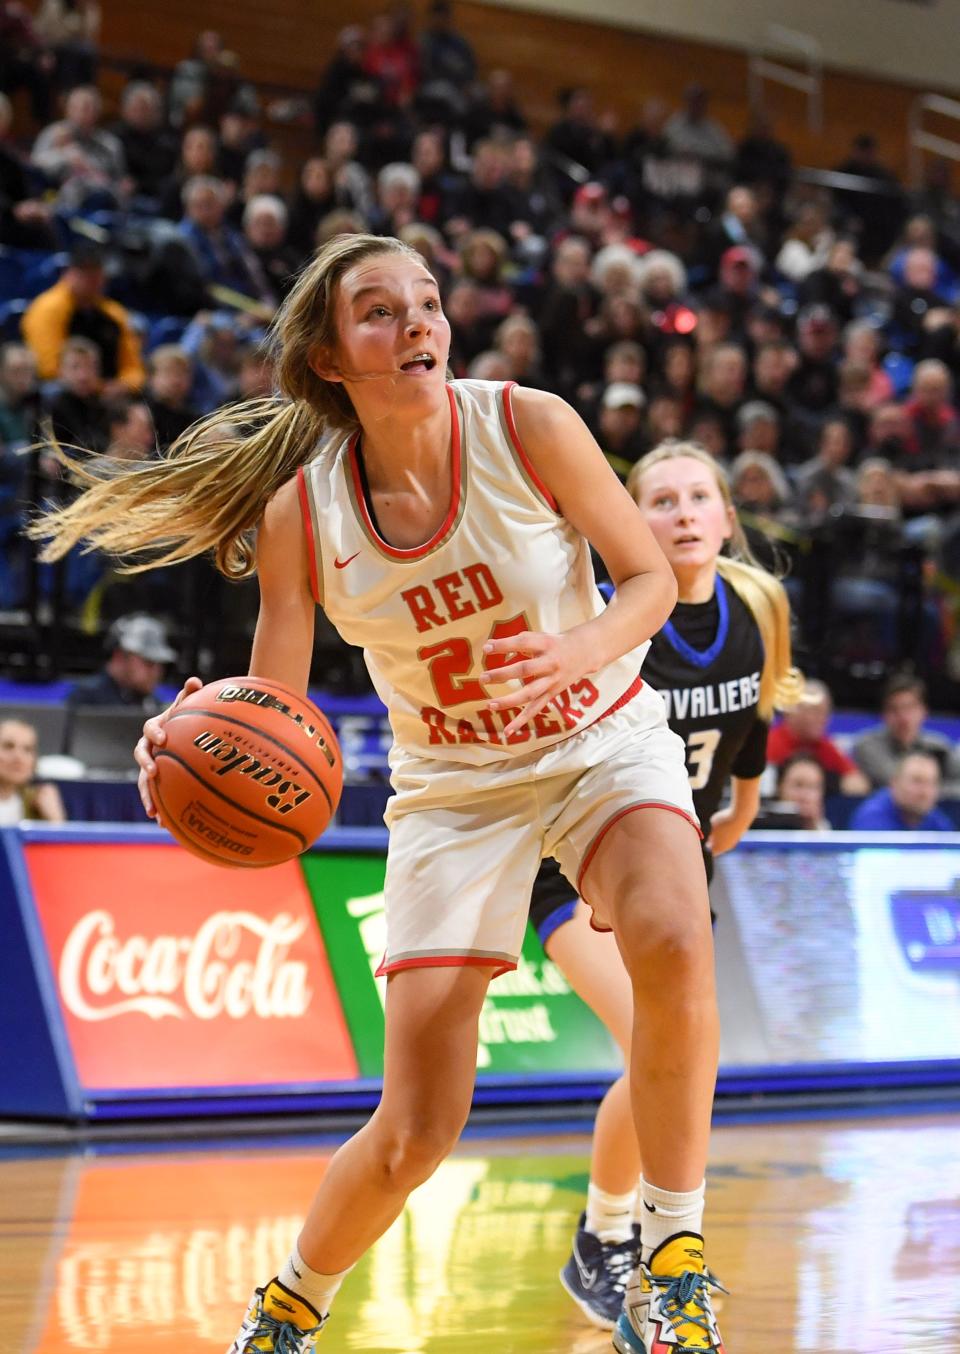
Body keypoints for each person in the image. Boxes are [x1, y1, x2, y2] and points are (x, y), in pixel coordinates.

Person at [31, 233, 728, 1354]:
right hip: (455, 792)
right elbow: (276, 712)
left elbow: (646, 576)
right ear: (326, 356)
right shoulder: (304, 515)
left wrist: (582, 645)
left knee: (675, 941)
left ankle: (674, 1255)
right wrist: (197, 743)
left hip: (600, 736)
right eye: (380, 311)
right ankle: (289, 1308)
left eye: (430, 303)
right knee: (414, 1133)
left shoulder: (529, 424)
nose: (417, 325)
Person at [527, 441, 800, 1330]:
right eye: (660, 501)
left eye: (698, 498)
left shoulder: (755, 610)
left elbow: (751, 732)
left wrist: (741, 809)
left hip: (683, 870)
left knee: (673, 1057)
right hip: (583, 864)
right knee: (657, 1044)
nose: (682, 514)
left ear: (726, 516)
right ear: (625, 522)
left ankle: (610, 1240)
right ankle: (613, 1240)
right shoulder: (609, 617)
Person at [853, 674, 960, 794]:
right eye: (894, 709)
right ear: (884, 715)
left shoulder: (939, 747)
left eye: (909, 708)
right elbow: (901, 787)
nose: (903, 717)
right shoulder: (868, 747)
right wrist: (933, 789)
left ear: (923, 711)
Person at [766, 678, 870, 796]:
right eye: (815, 711)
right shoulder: (770, 744)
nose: (823, 719)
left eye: (826, 712)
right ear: (791, 711)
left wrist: (831, 782)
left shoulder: (823, 744)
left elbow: (858, 783)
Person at [849, 750, 955, 832]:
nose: (924, 792)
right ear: (894, 784)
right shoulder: (871, 818)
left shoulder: (936, 820)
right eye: (917, 781)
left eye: (931, 783)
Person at [0, 718, 66, 825]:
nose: (18, 757)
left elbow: (62, 840)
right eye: (8, 746)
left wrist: (55, 819)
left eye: (27, 749)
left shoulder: (36, 802)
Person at [774, 753, 830, 830]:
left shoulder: (827, 832)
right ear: (779, 787)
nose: (805, 795)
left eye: (812, 787)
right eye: (798, 785)